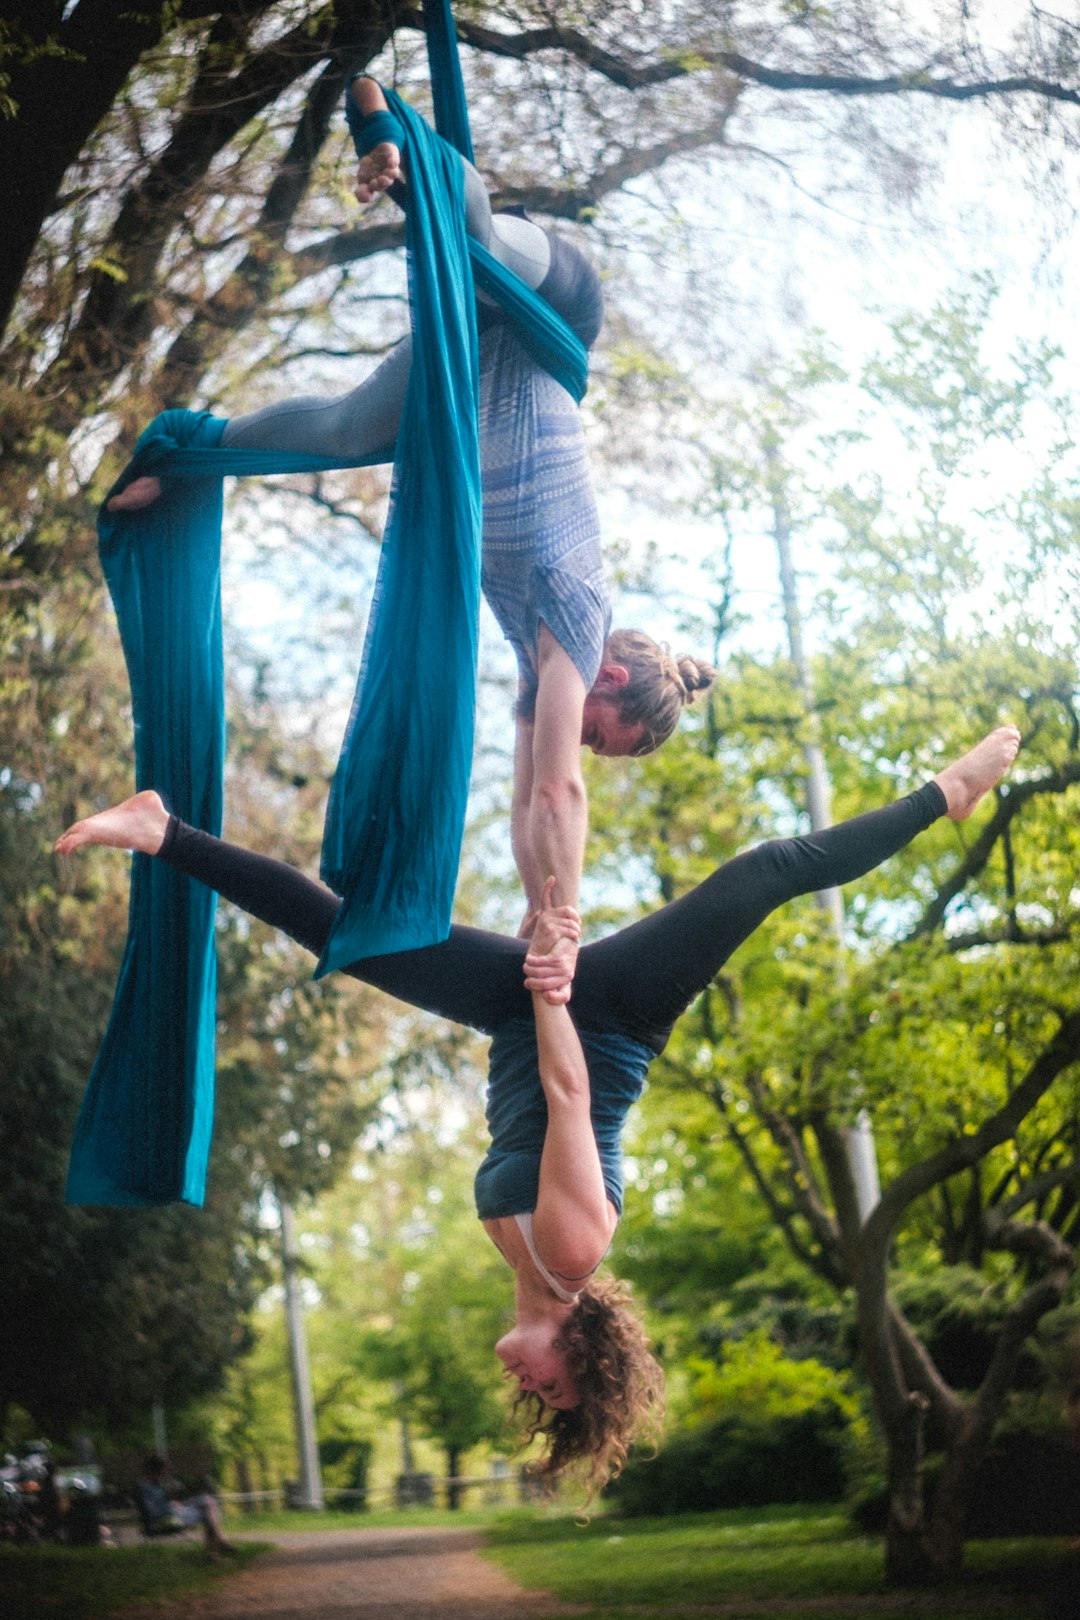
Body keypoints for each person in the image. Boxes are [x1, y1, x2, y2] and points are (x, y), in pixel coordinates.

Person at [56, 725, 1021, 1493]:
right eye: (551, 1385)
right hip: (605, 1017)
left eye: (534, 1397)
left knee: (351, 938)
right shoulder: (569, 1254)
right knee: (768, 870)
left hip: (523, 1015)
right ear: (580, 1343)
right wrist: (556, 980)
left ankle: (161, 831)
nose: (524, 1384)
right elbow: (570, 1096)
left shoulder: (518, 1261)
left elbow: (522, 1099)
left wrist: (530, 987)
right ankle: (946, 793)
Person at [106, 75, 715, 996]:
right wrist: (572, 919)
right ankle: (391, 128)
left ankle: (185, 458)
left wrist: (537, 904)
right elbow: (561, 794)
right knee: (468, 242)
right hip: (552, 315)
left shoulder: (537, 659)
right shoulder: (579, 633)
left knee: (350, 430)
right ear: (615, 683)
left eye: (595, 745)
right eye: (604, 734)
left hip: (474, 364)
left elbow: (524, 804)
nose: (584, 743)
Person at [133, 1454, 235, 1554]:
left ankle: (218, 1545)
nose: (165, 1475)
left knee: (208, 1501)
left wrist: (171, 1501)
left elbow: (160, 1502)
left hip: (173, 1511)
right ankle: (218, 1546)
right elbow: (153, 1513)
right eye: (163, 1472)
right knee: (207, 1511)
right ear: (155, 1472)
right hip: (167, 1519)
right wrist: (168, 1506)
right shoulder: (143, 1488)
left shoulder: (155, 1484)